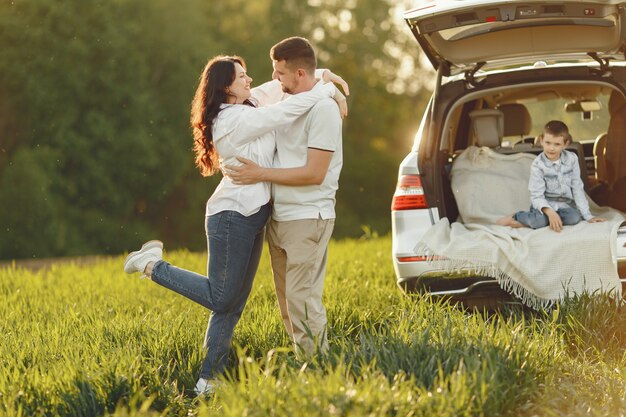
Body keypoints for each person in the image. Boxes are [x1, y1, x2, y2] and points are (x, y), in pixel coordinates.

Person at [123, 55, 347, 396]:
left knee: (233, 303)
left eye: (246, 75)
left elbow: (284, 85)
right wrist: (328, 91)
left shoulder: (250, 102)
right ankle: (151, 265)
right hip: (231, 216)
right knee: (221, 296)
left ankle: (207, 381)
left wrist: (324, 75)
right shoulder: (233, 119)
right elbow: (285, 111)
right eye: (241, 76)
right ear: (225, 87)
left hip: (254, 215)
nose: (249, 79)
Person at [227, 37, 343, 358]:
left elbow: (313, 173)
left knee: (302, 298)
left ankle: (318, 366)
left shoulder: (323, 110)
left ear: (301, 74)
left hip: (308, 217)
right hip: (280, 217)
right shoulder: (286, 97)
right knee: (287, 301)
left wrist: (259, 174)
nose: (275, 79)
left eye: (280, 72)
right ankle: (303, 360)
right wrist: (329, 80)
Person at [497, 120, 607, 232]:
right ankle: (516, 216)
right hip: (544, 206)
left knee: (575, 218)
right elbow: (536, 196)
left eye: (557, 144)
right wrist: (550, 213)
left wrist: (588, 216)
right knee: (538, 221)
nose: (551, 148)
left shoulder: (572, 159)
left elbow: (577, 188)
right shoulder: (538, 164)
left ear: (566, 144)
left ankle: (545, 221)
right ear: (541, 141)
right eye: (548, 143)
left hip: (565, 205)